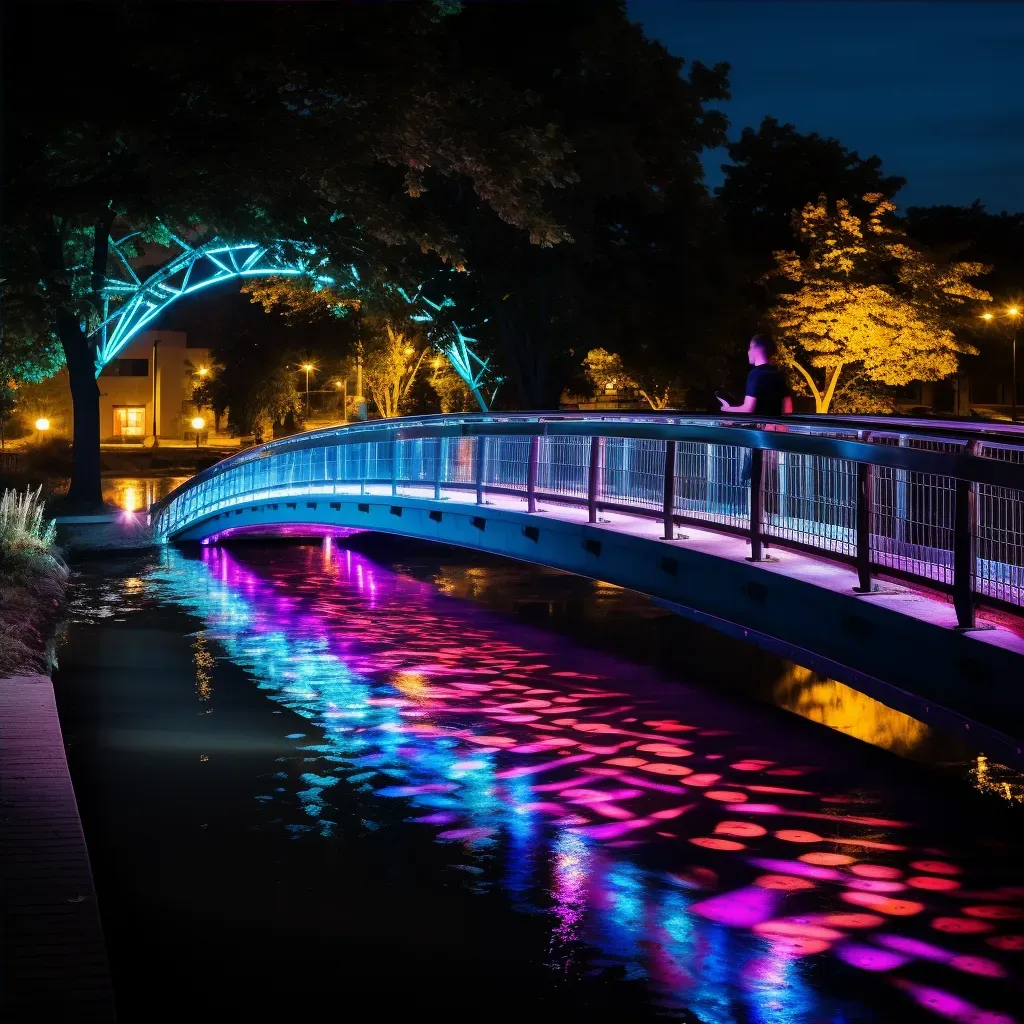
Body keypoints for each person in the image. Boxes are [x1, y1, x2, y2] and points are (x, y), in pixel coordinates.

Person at [718, 334, 793, 416]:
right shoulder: (779, 375)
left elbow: (748, 409)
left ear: (756, 349)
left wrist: (727, 409)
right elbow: (788, 409)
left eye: (750, 348)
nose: (748, 352)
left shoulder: (755, 374)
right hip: (775, 426)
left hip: (760, 426)